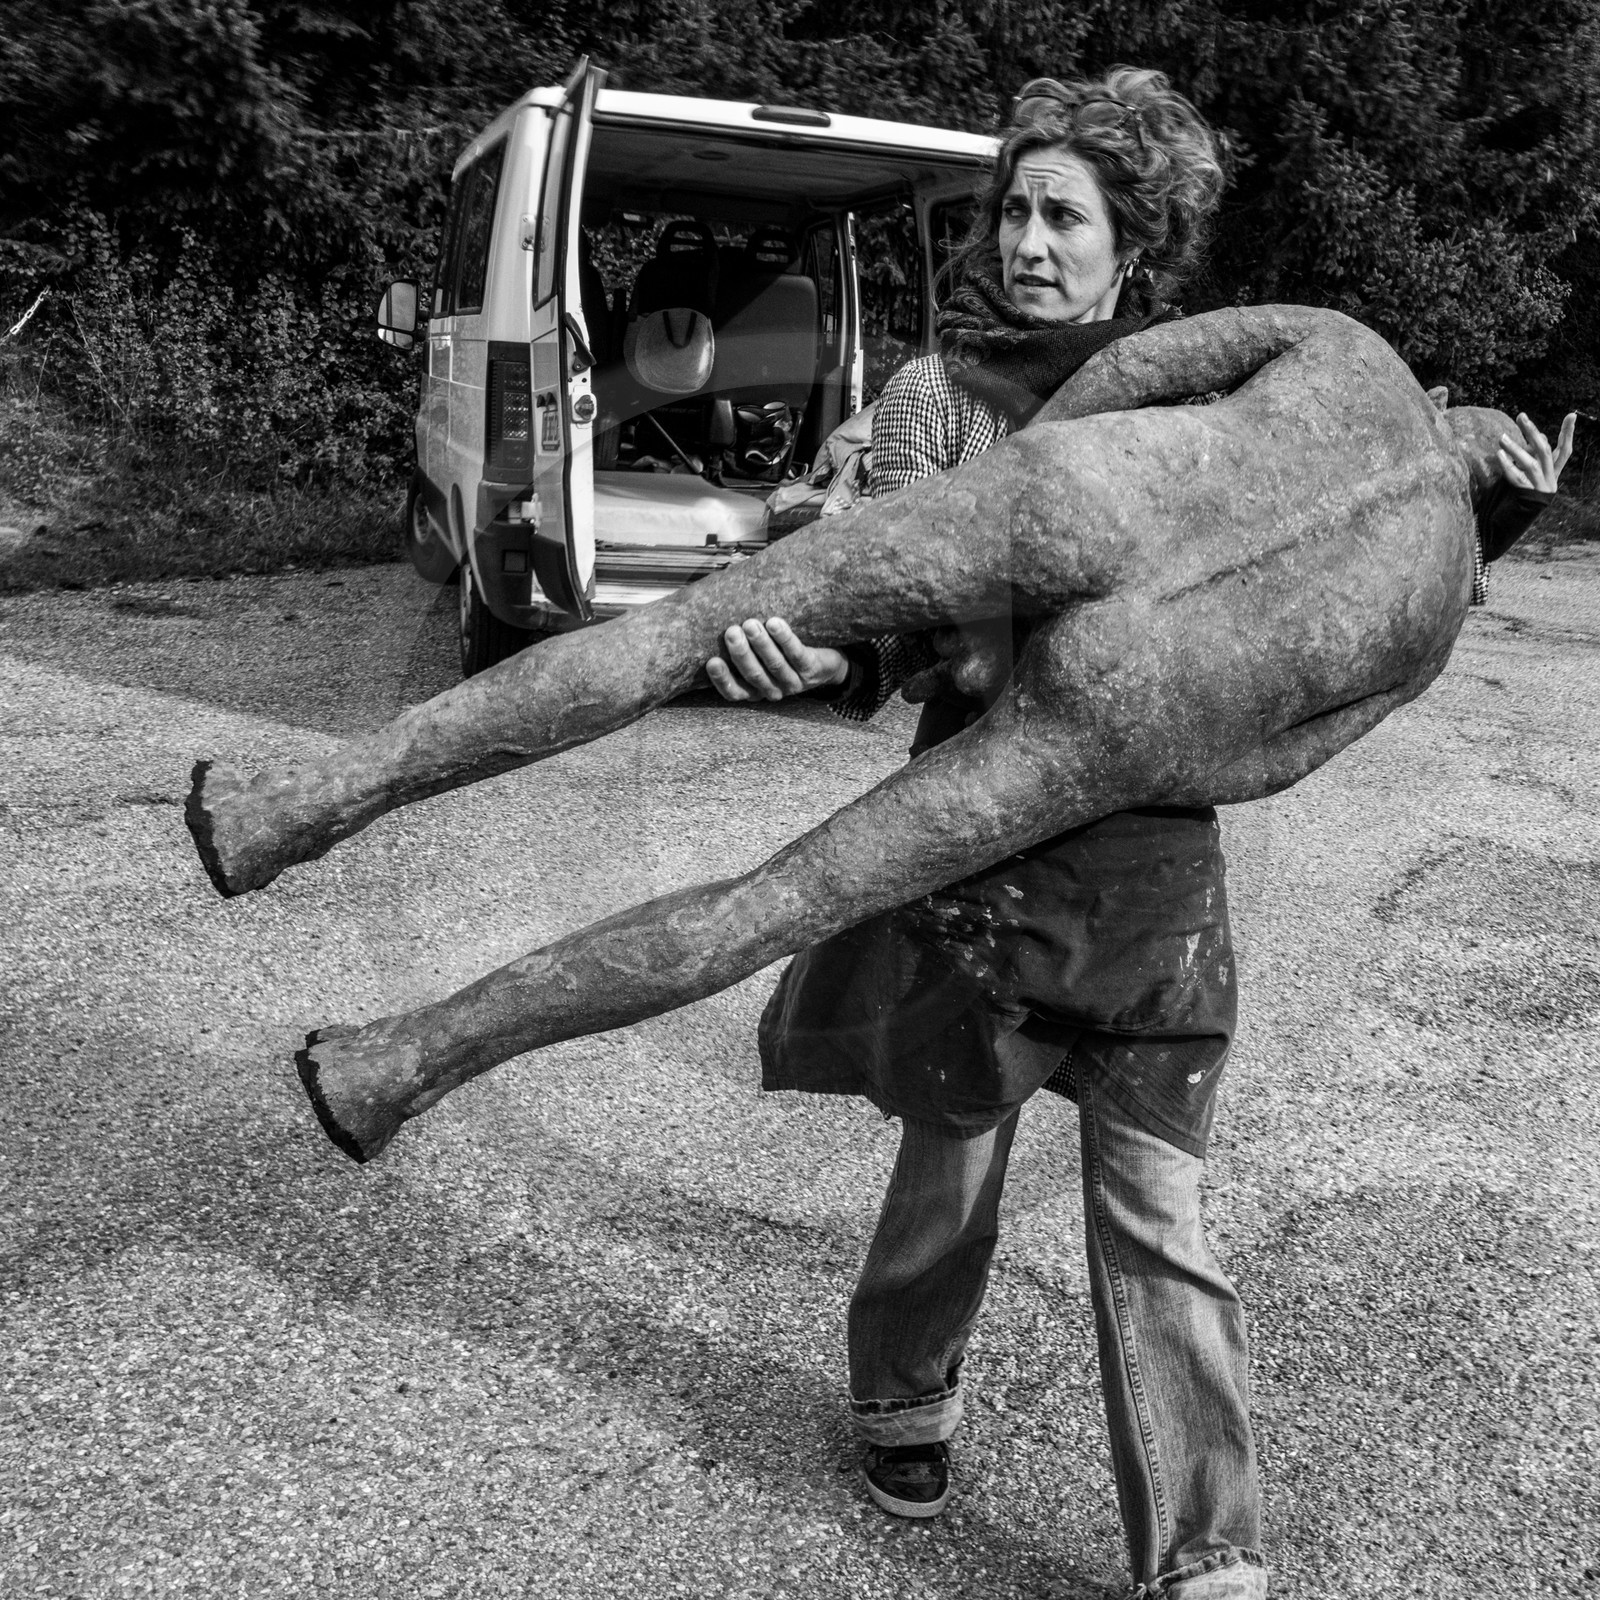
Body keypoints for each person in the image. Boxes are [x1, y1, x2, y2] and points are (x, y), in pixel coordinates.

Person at [705, 68, 1573, 1600]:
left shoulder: (1216, 408)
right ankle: (904, 1391)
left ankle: (1203, 1545)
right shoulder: (937, 408)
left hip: (1155, 866)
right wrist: (813, 656)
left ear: (1133, 246)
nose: (1029, 241)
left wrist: (1482, 506)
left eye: (1065, 216)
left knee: (1160, 1206)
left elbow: (1340, 600)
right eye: (1014, 211)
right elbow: (879, 622)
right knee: (952, 1166)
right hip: (974, 854)